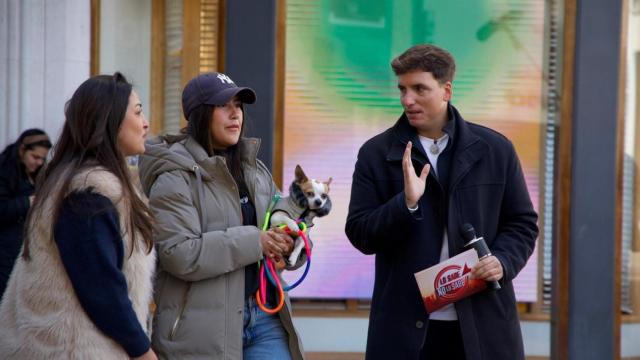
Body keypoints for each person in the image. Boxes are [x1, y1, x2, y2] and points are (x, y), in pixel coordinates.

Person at [345, 44, 538, 360]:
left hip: (483, 325)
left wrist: (502, 260)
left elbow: (522, 224)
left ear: (446, 89)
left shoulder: (495, 149)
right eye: (403, 89)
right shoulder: (376, 154)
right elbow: (361, 234)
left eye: (420, 88)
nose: (408, 100)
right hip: (404, 328)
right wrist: (405, 204)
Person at [138, 72, 306, 359]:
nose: (235, 114)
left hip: (266, 317)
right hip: (200, 331)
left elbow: (283, 221)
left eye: (239, 105)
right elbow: (179, 253)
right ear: (199, 114)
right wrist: (258, 241)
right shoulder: (174, 176)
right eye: (223, 105)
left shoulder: (254, 169)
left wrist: (291, 245)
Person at [0, 73, 157, 360]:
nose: (145, 122)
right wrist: (143, 350)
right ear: (108, 122)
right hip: (73, 349)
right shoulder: (86, 194)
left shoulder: (88, 185)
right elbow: (102, 288)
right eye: (137, 112)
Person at [0, 128, 52, 297]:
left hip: (23, 251)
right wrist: (28, 201)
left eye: (42, 159)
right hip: (4, 251)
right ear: (22, 150)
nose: (38, 163)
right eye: (35, 157)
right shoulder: (5, 172)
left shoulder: (37, 175)